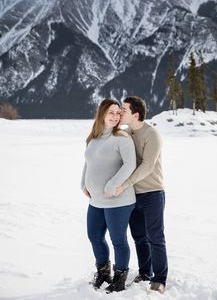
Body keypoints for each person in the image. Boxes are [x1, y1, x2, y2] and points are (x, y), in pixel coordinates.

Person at [81, 98, 136, 293]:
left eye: (117, 113)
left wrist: (113, 184)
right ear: (102, 114)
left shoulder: (122, 138)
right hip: (96, 199)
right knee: (94, 235)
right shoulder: (93, 137)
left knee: (118, 240)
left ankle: (120, 277)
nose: (115, 116)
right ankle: (104, 272)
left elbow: (130, 165)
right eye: (110, 113)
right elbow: (88, 162)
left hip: (118, 199)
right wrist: (83, 183)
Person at [115, 96, 168, 294]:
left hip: (152, 193)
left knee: (156, 237)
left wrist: (124, 184)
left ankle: (160, 279)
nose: (121, 112)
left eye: (124, 109)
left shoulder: (152, 134)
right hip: (132, 195)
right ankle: (145, 273)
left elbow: (147, 166)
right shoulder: (126, 134)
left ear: (135, 114)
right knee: (139, 237)